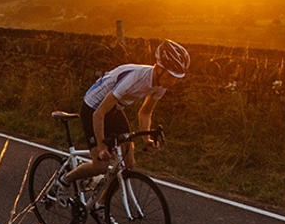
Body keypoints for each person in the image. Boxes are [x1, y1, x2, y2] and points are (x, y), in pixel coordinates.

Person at [61, 40, 189, 188]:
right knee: (100, 166)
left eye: (176, 78)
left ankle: (101, 206)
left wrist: (146, 140)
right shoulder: (134, 78)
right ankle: (65, 179)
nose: (174, 82)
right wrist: (102, 146)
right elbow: (99, 114)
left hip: (115, 108)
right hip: (93, 106)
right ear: (159, 69)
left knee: (128, 164)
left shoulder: (161, 85)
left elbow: (145, 113)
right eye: (172, 76)